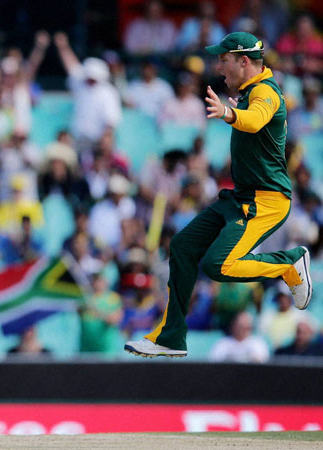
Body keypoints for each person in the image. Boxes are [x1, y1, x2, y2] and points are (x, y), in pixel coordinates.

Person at [125, 32, 312, 358]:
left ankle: (288, 263)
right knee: (182, 246)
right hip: (241, 198)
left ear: (244, 61)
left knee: (218, 265)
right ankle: (171, 337)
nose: (219, 67)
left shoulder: (266, 91)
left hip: (266, 201)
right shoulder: (251, 92)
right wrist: (236, 112)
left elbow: (255, 120)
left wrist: (229, 113)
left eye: (224, 60)